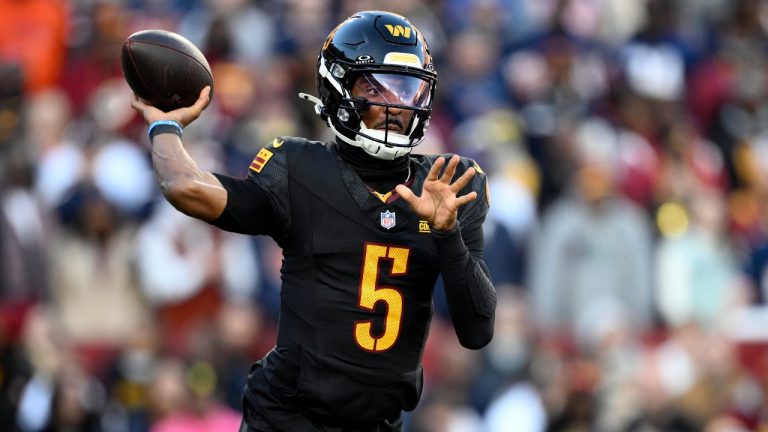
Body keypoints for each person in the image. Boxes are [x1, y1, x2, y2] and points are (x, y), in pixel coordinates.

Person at [130, 10, 496, 432]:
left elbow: (477, 331)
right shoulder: (299, 168)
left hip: (378, 424)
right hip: (287, 419)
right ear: (338, 88)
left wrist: (447, 234)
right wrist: (164, 126)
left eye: (408, 91)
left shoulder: (448, 185)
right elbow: (186, 187)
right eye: (377, 88)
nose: (395, 107)